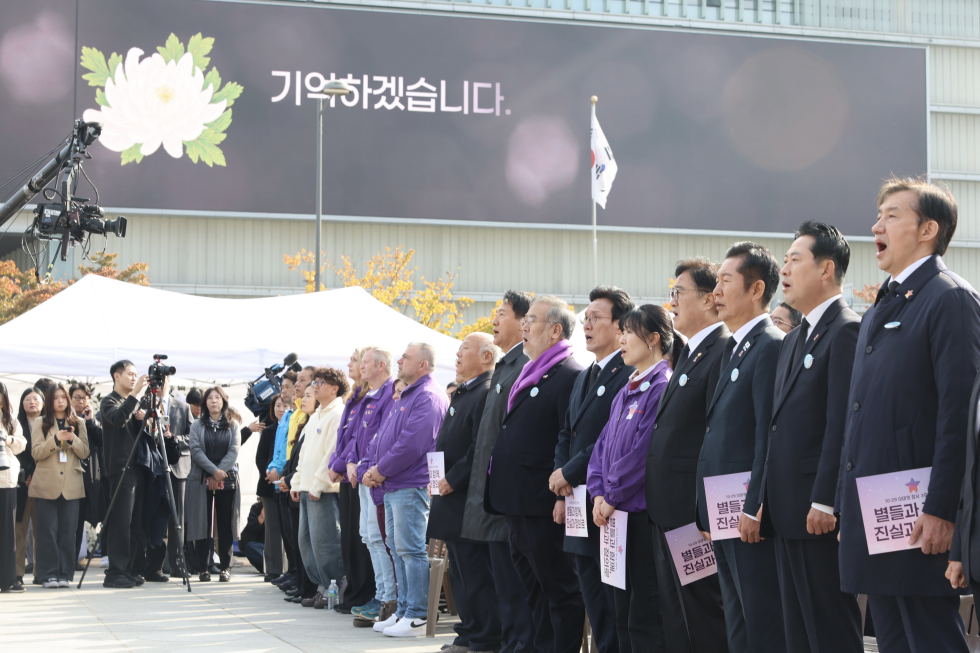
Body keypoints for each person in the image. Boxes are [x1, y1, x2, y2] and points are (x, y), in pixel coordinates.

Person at [837, 178, 980, 653]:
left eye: (892, 216)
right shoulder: (883, 304)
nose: (877, 226)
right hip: (878, 509)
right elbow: (860, 415)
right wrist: (845, 503)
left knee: (929, 636)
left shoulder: (950, 298)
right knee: (894, 638)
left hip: (918, 513)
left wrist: (942, 508)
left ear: (928, 229)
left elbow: (958, 415)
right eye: (878, 216)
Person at [761, 222, 863, 652]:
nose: (784, 269)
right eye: (784, 260)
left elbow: (842, 423)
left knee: (829, 631)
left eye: (795, 260)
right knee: (797, 634)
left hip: (816, 512)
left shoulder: (846, 329)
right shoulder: (795, 337)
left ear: (826, 269)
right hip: (786, 510)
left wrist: (825, 499)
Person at [697, 242, 786, 653]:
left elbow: (768, 434)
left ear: (756, 289)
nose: (716, 291)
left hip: (747, 515)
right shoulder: (735, 347)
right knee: (738, 621)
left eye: (725, 281)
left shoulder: (769, 344)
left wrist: (755, 506)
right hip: (724, 511)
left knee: (761, 623)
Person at [487, 295, 585, 653]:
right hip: (517, 499)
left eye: (531, 321)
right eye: (524, 320)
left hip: (542, 502)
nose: (524, 327)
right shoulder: (532, 370)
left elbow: (568, 439)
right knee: (533, 590)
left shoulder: (569, 374)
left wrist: (561, 497)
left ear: (555, 330)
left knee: (558, 590)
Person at [646, 258, 729, 653]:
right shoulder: (691, 352)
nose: (672, 302)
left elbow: (716, 437)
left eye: (679, 292)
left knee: (702, 612)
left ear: (710, 299)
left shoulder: (722, 349)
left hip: (693, 515)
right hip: (668, 510)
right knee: (677, 613)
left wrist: (703, 512)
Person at [551, 285, 635, 653]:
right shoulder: (585, 375)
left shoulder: (628, 372)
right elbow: (566, 432)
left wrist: (568, 472)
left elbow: (607, 438)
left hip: (607, 503)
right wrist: (560, 480)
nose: (586, 325)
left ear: (620, 326)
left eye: (596, 318)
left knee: (613, 603)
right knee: (592, 599)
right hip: (576, 502)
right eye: (585, 318)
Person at [588, 305, 676, 652]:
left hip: (638, 517)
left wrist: (610, 497)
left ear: (653, 338)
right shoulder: (627, 388)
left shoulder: (661, 386)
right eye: (621, 331)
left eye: (628, 332)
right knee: (620, 612)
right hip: (613, 516)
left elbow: (643, 454)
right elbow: (602, 447)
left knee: (644, 614)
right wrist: (598, 493)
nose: (621, 339)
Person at [461, 291, 535, 653]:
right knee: (503, 585)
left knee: (515, 584)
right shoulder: (507, 364)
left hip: (506, 496)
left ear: (524, 322)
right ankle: (510, 642)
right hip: (490, 495)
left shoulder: (525, 365)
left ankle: (520, 644)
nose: (494, 320)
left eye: (502, 314)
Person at [363, 342, 449, 637]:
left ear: (423, 364)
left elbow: (411, 443)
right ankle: (403, 610)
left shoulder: (427, 396)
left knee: (410, 550)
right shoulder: (409, 394)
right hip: (394, 483)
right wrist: (373, 469)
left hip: (410, 483)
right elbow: (384, 437)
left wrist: (380, 470)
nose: (399, 361)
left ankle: (417, 615)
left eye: (406, 357)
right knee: (398, 549)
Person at [428, 333, 501, 653]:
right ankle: (468, 633)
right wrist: (436, 478)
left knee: (476, 573)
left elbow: (480, 446)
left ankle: (484, 638)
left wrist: (452, 478)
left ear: (487, 357)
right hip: (449, 497)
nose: (458, 354)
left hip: (466, 498)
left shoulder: (485, 392)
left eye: (465, 349)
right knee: (460, 572)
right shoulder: (464, 392)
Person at [349, 347, 398, 623]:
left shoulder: (391, 393)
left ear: (381, 365)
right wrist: (350, 462)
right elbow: (358, 437)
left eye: (366, 362)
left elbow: (384, 438)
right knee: (369, 536)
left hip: (377, 477)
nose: (361, 366)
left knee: (379, 538)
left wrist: (369, 469)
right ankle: (381, 594)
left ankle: (388, 598)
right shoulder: (370, 394)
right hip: (364, 473)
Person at [293, 367, 349, 608]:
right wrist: (297, 482)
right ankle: (321, 588)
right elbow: (304, 454)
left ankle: (334, 589)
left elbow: (332, 455)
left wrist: (318, 485)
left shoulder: (337, 414)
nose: (314, 386)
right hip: (307, 489)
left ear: (334, 388)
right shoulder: (316, 415)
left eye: (320, 382)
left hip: (323, 491)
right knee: (307, 543)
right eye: (314, 382)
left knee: (326, 543)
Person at [326, 349, 377, 614]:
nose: (350, 364)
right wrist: (335, 463)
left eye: (356, 360)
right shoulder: (354, 396)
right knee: (349, 537)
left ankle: (363, 593)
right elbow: (343, 438)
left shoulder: (370, 397)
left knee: (361, 539)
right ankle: (353, 591)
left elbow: (359, 439)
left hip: (356, 473)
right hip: (346, 473)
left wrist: (340, 464)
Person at [30, 383, 90, 588]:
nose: (61, 401)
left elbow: (85, 452)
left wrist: (72, 439)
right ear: (49, 401)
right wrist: (56, 439)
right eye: (56, 398)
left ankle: (65, 573)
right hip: (46, 483)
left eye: (63, 397)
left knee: (68, 531)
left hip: (72, 484)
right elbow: (36, 452)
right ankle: (48, 575)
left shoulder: (79, 422)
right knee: (46, 531)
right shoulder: (40, 422)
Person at [101, 360, 149, 589]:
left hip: (137, 468)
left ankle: (128, 569)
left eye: (136, 375)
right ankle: (114, 573)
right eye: (130, 374)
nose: (134, 378)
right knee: (120, 522)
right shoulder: (108, 401)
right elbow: (118, 419)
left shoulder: (133, 404)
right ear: (116, 377)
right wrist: (136, 394)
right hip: (120, 469)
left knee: (134, 523)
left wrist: (143, 419)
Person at [186, 386, 241, 582]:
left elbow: (234, 450)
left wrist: (218, 474)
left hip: (226, 479)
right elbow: (196, 450)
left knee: (225, 524)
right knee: (203, 524)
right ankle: (203, 568)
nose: (213, 401)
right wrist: (212, 472)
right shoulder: (197, 425)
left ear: (223, 401)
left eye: (217, 397)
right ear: (205, 403)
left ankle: (226, 567)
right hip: (202, 480)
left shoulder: (233, 424)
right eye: (209, 398)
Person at [69, 384, 105, 571]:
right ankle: (67, 559)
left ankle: (75, 558)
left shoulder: (92, 419)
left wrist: (91, 421)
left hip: (88, 476)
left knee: (80, 519)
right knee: (69, 520)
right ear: (70, 399)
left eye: (84, 398)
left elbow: (102, 440)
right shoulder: (66, 418)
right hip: (69, 473)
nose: (80, 401)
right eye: (76, 397)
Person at [268, 370, 297, 585]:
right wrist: (271, 468)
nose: (283, 390)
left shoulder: (299, 415)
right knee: (287, 531)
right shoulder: (286, 417)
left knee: (294, 532)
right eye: (282, 386)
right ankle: (292, 572)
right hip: (279, 479)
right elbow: (278, 448)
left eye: (287, 386)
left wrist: (280, 471)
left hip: (289, 476)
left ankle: (298, 575)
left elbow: (292, 450)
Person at [0, 382, 27, 593]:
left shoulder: (10, 420)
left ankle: (7, 578)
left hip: (6, 480)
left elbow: (22, 444)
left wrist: (8, 439)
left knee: (7, 532)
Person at [255, 394, 286, 581]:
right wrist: (269, 474)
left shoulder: (294, 428)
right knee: (272, 528)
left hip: (286, 483)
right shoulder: (268, 431)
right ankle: (273, 569)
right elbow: (260, 458)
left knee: (287, 528)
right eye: (277, 406)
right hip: (268, 485)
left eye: (284, 405)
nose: (281, 409)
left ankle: (289, 570)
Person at [14, 388, 42, 586]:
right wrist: (28, 472)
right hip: (21, 483)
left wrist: (36, 473)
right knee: (19, 530)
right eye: (27, 399)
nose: (32, 402)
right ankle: (17, 573)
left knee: (42, 530)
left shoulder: (50, 424)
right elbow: (16, 451)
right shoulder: (15, 424)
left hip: (44, 482)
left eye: (36, 399)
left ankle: (41, 571)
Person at [240, 501, 266, 572]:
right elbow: (248, 533)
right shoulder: (257, 507)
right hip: (264, 550)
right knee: (250, 547)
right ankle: (271, 565)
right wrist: (261, 518)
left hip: (280, 551)